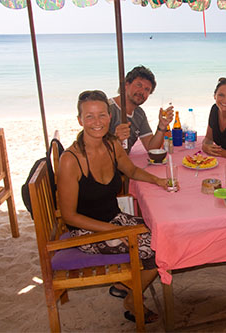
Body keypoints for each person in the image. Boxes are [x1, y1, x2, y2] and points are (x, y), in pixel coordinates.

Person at [57, 90, 169, 324]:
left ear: (110, 117)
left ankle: (126, 286)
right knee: (159, 248)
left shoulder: (111, 145)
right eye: (89, 116)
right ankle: (132, 298)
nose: (96, 122)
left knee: (165, 233)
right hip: (87, 231)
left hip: (115, 220)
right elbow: (69, 215)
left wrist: (157, 180)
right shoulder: (71, 159)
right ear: (80, 120)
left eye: (101, 115)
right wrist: (113, 232)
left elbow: (132, 170)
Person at [109, 65, 174, 152]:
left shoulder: (139, 113)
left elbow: (151, 148)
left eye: (147, 89)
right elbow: (90, 148)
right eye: (139, 85)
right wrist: (115, 139)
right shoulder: (107, 109)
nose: (142, 92)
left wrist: (161, 127)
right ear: (126, 85)